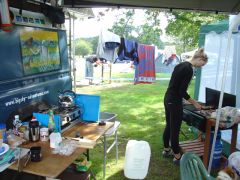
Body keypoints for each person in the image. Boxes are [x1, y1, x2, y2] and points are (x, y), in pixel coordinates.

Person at [162, 48, 208, 165]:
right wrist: (194, 103)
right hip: (174, 101)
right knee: (175, 129)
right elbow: (182, 90)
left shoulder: (181, 65)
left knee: (169, 125)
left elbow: (175, 85)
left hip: (168, 98)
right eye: (201, 64)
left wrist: (185, 100)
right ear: (199, 59)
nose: (200, 67)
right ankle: (177, 156)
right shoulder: (189, 69)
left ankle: (167, 149)